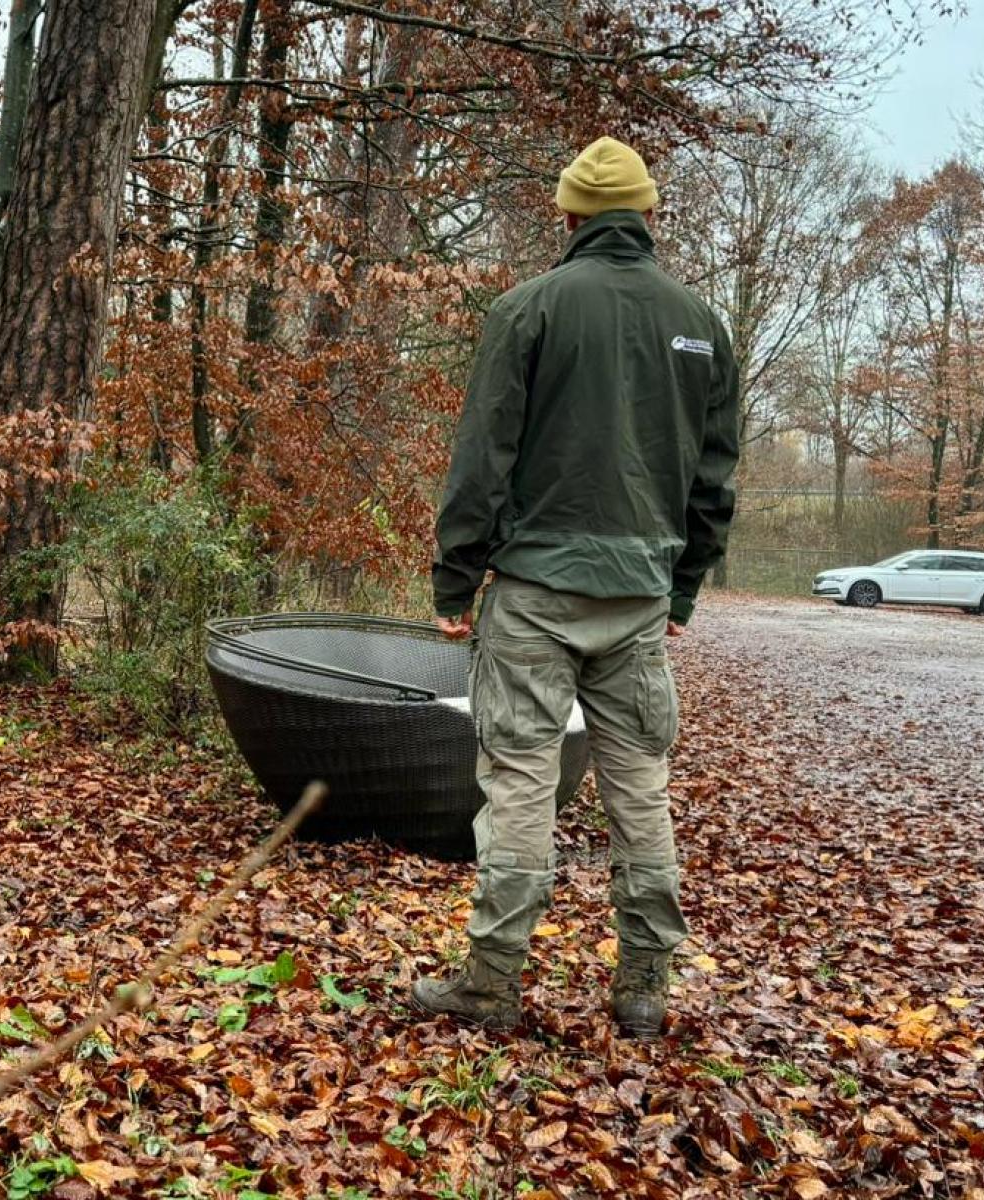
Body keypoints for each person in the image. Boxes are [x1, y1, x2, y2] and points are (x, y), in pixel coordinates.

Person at [409, 136, 740, 1040]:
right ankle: (643, 987)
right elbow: (715, 477)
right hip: (636, 597)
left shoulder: (528, 309)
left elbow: (483, 457)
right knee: (639, 787)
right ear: (649, 214)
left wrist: (455, 580)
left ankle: (492, 983)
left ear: (568, 217)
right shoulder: (701, 323)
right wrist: (679, 589)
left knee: (521, 781)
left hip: (533, 590)